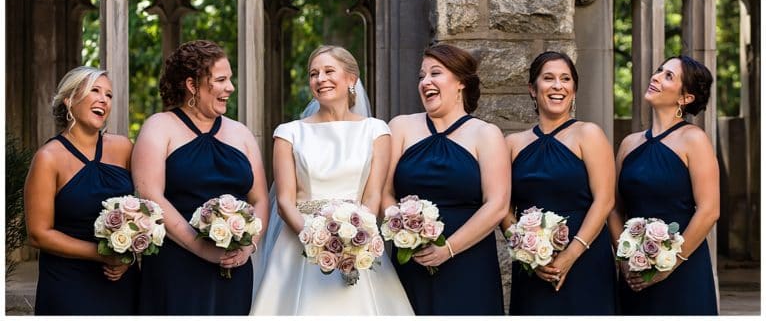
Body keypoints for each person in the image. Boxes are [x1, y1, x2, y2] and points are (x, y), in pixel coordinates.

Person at [250, 45, 412, 314]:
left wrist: (355, 240)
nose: (320, 79)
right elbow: (285, 201)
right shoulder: (288, 133)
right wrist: (315, 240)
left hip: (357, 243)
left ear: (351, 79)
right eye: (314, 74)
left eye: (328, 71)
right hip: (298, 244)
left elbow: (372, 196)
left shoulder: (376, 131)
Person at [132, 40, 268, 315]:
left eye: (230, 79)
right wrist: (203, 249)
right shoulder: (159, 127)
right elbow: (150, 195)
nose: (230, 87)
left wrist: (248, 246)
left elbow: (260, 198)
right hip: (176, 265)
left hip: (234, 266)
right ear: (192, 85)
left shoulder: (241, 133)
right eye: (221, 80)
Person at [384, 43, 508, 315]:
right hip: (412, 258)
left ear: (461, 82)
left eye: (435, 73)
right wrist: (404, 230)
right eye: (421, 76)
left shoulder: (486, 134)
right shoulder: (401, 127)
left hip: (469, 260)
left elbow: (497, 204)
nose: (425, 81)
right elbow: (385, 191)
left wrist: (448, 248)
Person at [503, 51, 617, 315]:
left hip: (585, 258)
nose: (558, 86)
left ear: (574, 90)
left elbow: (605, 200)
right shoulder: (512, 144)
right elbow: (503, 209)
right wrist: (527, 252)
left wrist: (571, 254)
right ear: (533, 89)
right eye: (548, 78)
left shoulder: (589, 134)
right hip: (532, 266)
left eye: (565, 79)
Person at [23, 66, 139, 315]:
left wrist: (128, 257)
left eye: (108, 95)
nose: (103, 100)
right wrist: (103, 254)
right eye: (94, 91)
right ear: (70, 100)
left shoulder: (123, 148)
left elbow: (146, 210)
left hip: (121, 282)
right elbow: (38, 234)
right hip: (68, 285)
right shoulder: (48, 158)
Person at [610, 56, 719, 315]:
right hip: (634, 271)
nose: (656, 77)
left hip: (683, 270)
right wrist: (624, 260)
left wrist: (670, 264)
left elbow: (709, 210)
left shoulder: (694, 140)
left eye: (668, 76)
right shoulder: (629, 144)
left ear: (685, 98)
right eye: (659, 71)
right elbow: (614, 208)